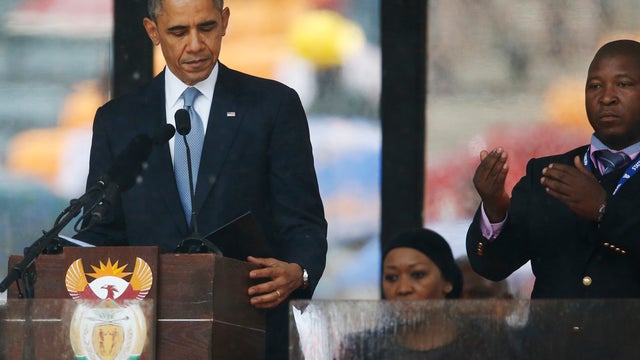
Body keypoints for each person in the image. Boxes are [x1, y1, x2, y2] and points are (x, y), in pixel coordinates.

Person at [76, 0, 328, 358]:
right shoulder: (118, 120)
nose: (195, 45)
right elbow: (102, 233)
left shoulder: (272, 106)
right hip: (147, 335)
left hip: (250, 329)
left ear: (224, 21)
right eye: (179, 32)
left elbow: (303, 221)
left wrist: (299, 272)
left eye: (206, 28)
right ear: (153, 31)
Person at [467, 39, 640, 359]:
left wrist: (604, 209)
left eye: (624, 84)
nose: (606, 97)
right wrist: (494, 206)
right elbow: (494, 265)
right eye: (595, 86)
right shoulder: (545, 173)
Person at [338, 228, 518, 359]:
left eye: (417, 275)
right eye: (392, 277)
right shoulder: (361, 349)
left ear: (447, 283)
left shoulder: (488, 345)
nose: (403, 288)